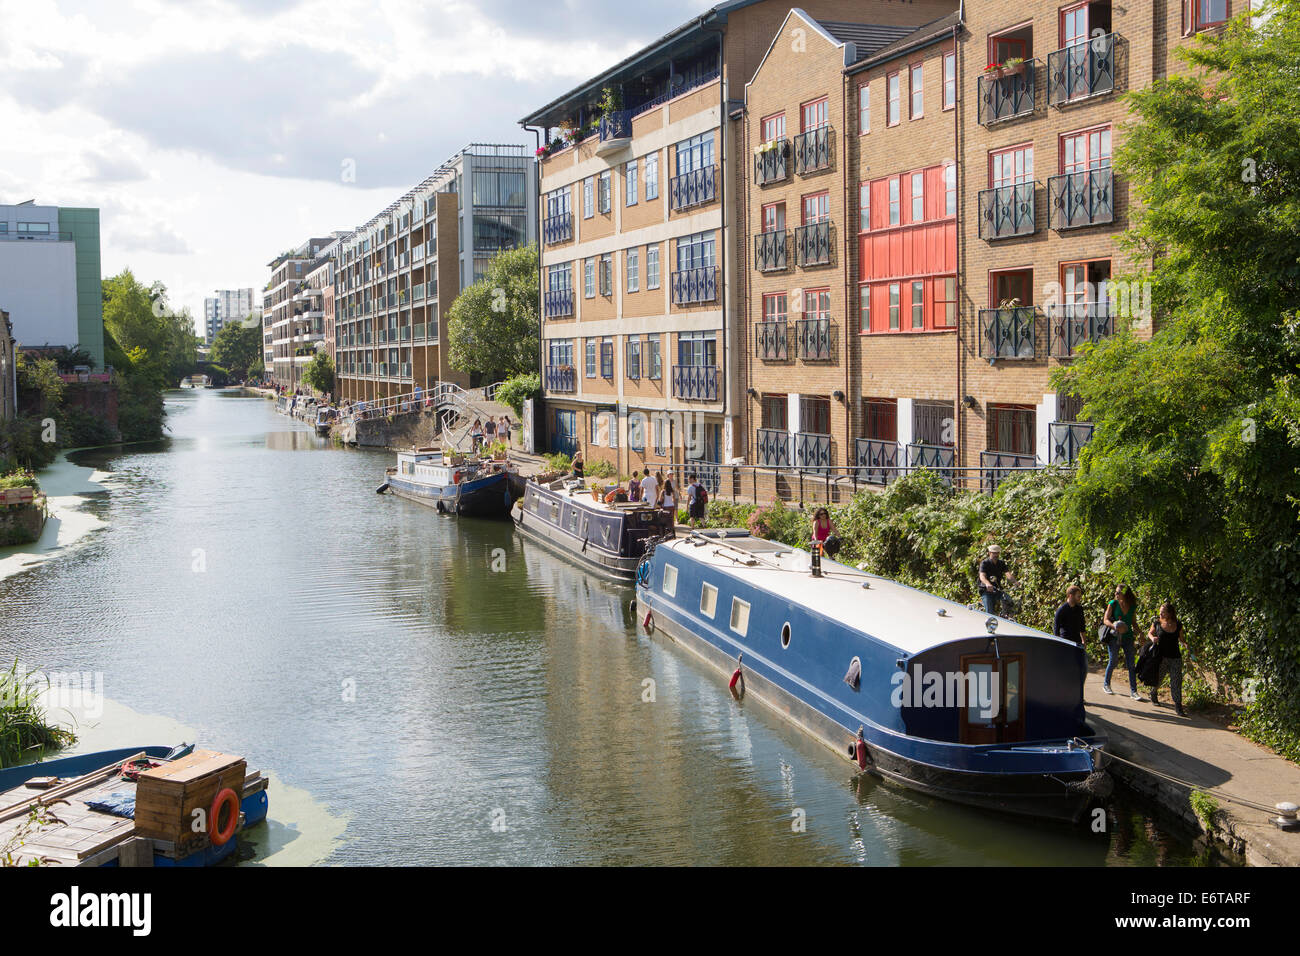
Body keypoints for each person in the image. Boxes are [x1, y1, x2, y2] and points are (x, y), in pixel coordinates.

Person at [1102, 584, 1141, 699]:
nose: (1116, 594)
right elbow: (1105, 620)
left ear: (1125, 593)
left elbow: (1133, 622)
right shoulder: (1113, 604)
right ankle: (1106, 684)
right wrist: (1115, 627)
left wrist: (1140, 633)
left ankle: (1134, 691)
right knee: (1113, 660)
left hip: (1128, 637)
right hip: (1114, 637)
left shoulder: (1132, 606)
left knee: (1131, 665)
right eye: (1116, 592)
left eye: (1118, 592)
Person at [1148, 602, 1186, 716]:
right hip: (1161, 657)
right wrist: (1152, 638)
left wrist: (1185, 644)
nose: (1160, 613)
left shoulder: (1178, 625)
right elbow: (1150, 633)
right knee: (1158, 678)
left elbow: (1182, 639)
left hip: (1175, 657)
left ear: (1170, 613)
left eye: (1163, 612)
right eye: (1160, 611)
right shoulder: (1157, 623)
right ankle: (1153, 693)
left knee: (1176, 681)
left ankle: (1178, 706)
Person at [978, 545, 1015, 615]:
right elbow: (982, 576)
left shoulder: (1001, 563)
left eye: (997, 553)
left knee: (1008, 600)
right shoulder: (985, 563)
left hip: (997, 589)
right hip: (986, 590)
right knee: (990, 612)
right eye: (994, 553)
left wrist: (1015, 582)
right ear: (989, 553)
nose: (996, 555)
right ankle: (990, 622)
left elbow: (1008, 574)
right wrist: (987, 584)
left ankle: (1005, 616)